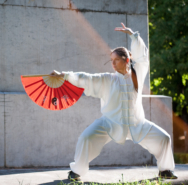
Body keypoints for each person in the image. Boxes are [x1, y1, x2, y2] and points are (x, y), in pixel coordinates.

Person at [50, 23, 178, 181]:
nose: (113, 63)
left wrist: (133, 35)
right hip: (109, 123)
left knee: (164, 138)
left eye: (116, 60)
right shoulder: (107, 79)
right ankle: (76, 172)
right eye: (111, 60)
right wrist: (63, 75)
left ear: (126, 60)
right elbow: (85, 78)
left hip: (137, 123)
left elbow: (143, 58)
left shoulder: (137, 75)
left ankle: (165, 170)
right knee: (86, 138)